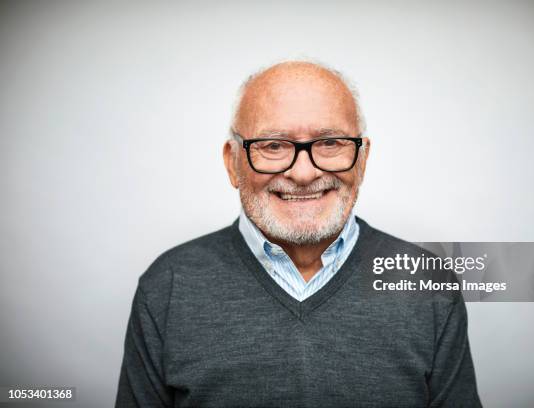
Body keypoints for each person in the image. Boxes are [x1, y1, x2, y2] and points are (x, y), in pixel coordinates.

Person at [115, 60, 481, 407]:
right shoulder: (168, 285)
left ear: (364, 158)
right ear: (233, 162)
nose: (304, 173)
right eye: (273, 145)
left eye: (330, 143)